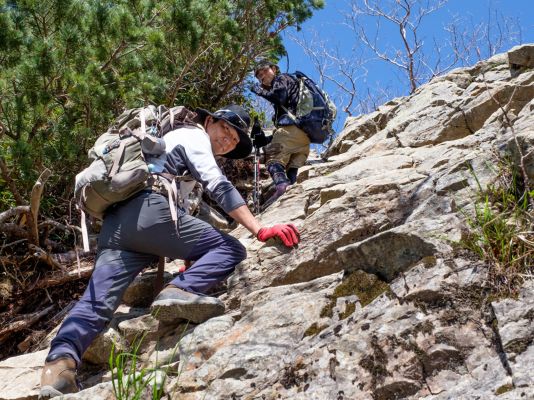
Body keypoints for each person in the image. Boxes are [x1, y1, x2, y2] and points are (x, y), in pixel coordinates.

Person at [39, 104, 300, 399]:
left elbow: (184, 215)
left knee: (96, 303)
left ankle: (58, 368)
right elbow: (219, 186)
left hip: (116, 226)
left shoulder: (165, 146)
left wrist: (192, 255)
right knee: (230, 248)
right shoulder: (193, 135)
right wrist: (259, 229)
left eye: (236, 141)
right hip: (150, 211)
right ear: (210, 120)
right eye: (227, 129)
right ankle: (179, 290)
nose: (229, 141)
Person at [251, 61, 310, 208]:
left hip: (292, 130)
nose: (261, 76)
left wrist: (259, 91)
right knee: (291, 167)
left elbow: (279, 98)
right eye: (258, 75)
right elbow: (285, 134)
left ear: (274, 69)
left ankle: (282, 186)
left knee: (272, 159)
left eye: (264, 71)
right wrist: (265, 139)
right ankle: (290, 194)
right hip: (304, 137)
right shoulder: (292, 89)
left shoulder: (282, 78)